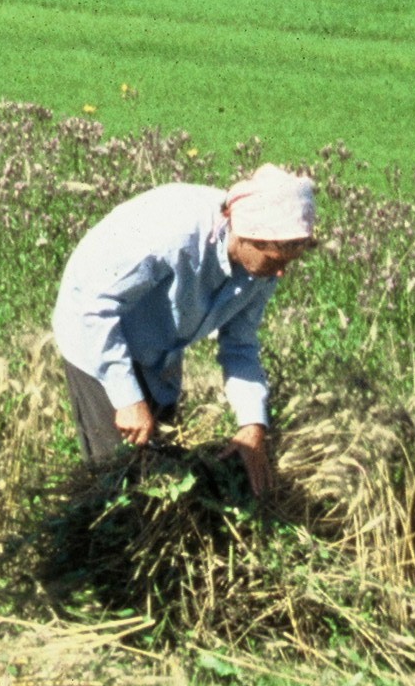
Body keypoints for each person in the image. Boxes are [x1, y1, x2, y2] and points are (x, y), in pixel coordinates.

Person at [51, 163, 318, 497]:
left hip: (160, 347)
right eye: (275, 260)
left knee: (161, 482)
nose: (281, 274)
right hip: (95, 331)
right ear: (250, 235)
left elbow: (240, 347)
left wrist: (252, 424)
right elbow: (95, 306)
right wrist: (127, 398)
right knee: (117, 481)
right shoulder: (172, 236)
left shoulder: (260, 272)